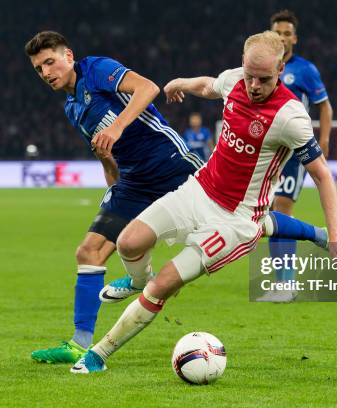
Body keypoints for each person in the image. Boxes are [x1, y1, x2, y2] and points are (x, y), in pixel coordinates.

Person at [71, 31, 337, 374]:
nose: (254, 86)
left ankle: (98, 354)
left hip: (234, 220)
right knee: (129, 241)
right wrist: (181, 83)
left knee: (165, 283)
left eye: (264, 79)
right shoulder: (235, 80)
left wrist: (336, 236)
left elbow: (322, 175)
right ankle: (138, 279)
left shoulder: (290, 117)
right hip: (198, 190)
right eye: (250, 76)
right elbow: (210, 86)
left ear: (280, 70)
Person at [25, 31, 204, 364]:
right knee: (89, 251)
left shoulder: (95, 69)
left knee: (239, 217)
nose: (46, 72)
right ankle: (80, 343)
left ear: (68, 56)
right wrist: (112, 183)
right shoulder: (72, 108)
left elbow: (148, 88)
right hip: (133, 181)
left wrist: (117, 127)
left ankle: (323, 237)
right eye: (38, 69)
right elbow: (106, 151)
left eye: (50, 62)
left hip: (172, 166)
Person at [263, 9, 335, 301]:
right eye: (277, 32)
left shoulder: (305, 70)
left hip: (293, 152)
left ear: (295, 38)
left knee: (281, 211)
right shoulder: (263, 67)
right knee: (266, 215)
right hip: (267, 153)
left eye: (287, 33)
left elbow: (325, 107)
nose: (282, 37)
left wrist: (325, 139)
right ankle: (281, 280)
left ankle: (286, 283)